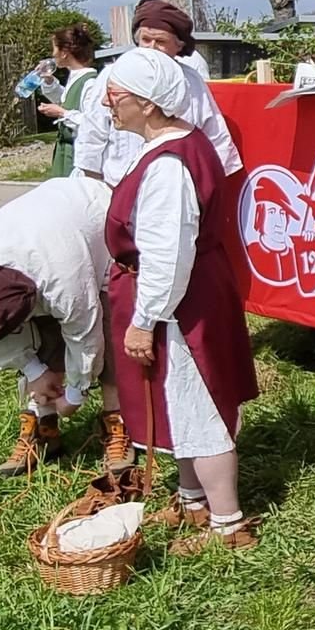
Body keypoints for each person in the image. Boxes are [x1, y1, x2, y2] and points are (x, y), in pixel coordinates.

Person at [102, 49, 259, 553]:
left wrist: (145, 319)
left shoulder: (169, 165)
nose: (109, 102)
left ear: (149, 105)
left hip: (179, 302)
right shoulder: (178, 144)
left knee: (199, 407)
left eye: (118, 94)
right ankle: (193, 502)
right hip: (186, 292)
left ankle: (227, 524)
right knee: (177, 403)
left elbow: (167, 252)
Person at [0, 178, 129, 477]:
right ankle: (43, 427)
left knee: (110, 328)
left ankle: (116, 421)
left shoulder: (63, 279)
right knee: (41, 341)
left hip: (96, 218)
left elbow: (85, 334)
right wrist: (34, 371)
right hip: (41, 236)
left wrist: (75, 394)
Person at [74, 0, 241, 186]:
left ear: (178, 46)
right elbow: (92, 135)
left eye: (160, 41)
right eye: (146, 40)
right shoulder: (111, 76)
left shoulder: (191, 81)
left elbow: (214, 137)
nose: (151, 47)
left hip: (175, 187)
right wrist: (93, 187)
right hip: (117, 189)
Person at [38, 25, 102, 180]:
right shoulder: (75, 77)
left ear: (65, 53)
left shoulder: (90, 83)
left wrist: (61, 113)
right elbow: (66, 100)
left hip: (77, 152)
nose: (53, 54)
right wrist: (48, 80)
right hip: (64, 150)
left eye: (55, 49)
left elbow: (92, 123)